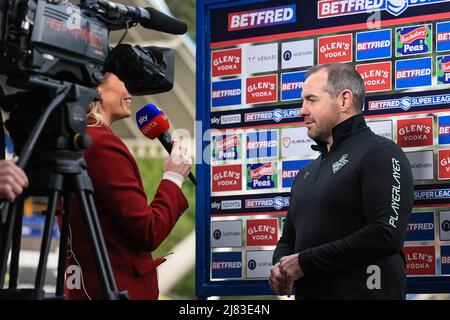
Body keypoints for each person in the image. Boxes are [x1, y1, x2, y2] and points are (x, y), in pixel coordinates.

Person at [269, 63, 413, 300]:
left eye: (311, 100)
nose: (302, 110)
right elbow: (288, 240)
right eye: (302, 101)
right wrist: (280, 267)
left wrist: (305, 262)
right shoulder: (306, 173)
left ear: (344, 100)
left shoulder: (381, 153)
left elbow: (386, 234)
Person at [64, 73, 192, 300]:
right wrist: (173, 177)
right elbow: (148, 231)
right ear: (97, 87)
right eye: (123, 80)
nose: (131, 92)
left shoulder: (76, 139)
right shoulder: (102, 143)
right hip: (116, 288)